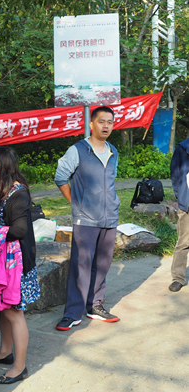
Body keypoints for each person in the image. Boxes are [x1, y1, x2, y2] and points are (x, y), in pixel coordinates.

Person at [54, 106, 121, 331]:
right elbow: (60, 177)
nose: (106, 126)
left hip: (109, 217)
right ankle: (72, 313)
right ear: (91, 124)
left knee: (103, 264)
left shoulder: (113, 151)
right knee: (81, 265)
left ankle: (95, 305)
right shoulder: (78, 150)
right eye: (102, 121)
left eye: (110, 122)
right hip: (86, 219)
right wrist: (76, 203)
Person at [0, 147, 40, 385]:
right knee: (3, 307)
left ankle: (20, 366)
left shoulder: (18, 194)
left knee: (14, 312)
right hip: (3, 263)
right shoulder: (3, 190)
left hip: (16, 266)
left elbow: (20, 230)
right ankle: (5, 352)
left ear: (0, 166)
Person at [169, 137, 189, 292]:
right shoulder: (183, 148)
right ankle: (178, 278)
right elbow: (176, 176)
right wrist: (183, 198)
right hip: (187, 204)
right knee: (183, 241)